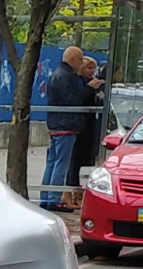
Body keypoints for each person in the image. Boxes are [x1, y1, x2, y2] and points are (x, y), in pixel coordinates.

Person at [40, 46, 99, 209]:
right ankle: (53, 198)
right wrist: (89, 88)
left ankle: (46, 196)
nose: (81, 63)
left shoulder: (58, 73)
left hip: (56, 123)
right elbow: (72, 100)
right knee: (61, 162)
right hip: (66, 123)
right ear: (73, 59)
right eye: (80, 59)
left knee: (52, 161)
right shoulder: (67, 76)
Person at [68, 54, 108, 177]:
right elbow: (78, 99)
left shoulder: (92, 82)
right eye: (89, 68)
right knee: (76, 157)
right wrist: (90, 88)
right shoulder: (79, 82)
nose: (92, 71)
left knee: (84, 156)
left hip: (90, 124)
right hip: (80, 123)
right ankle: (70, 185)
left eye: (93, 68)